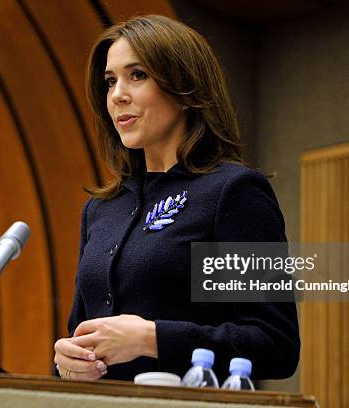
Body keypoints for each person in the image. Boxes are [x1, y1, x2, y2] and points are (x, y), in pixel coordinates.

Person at [54, 15, 299, 382]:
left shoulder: (233, 193)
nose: (118, 94)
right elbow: (82, 335)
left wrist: (151, 338)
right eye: (110, 81)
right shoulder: (101, 210)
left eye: (137, 75)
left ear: (186, 90)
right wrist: (68, 365)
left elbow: (274, 344)